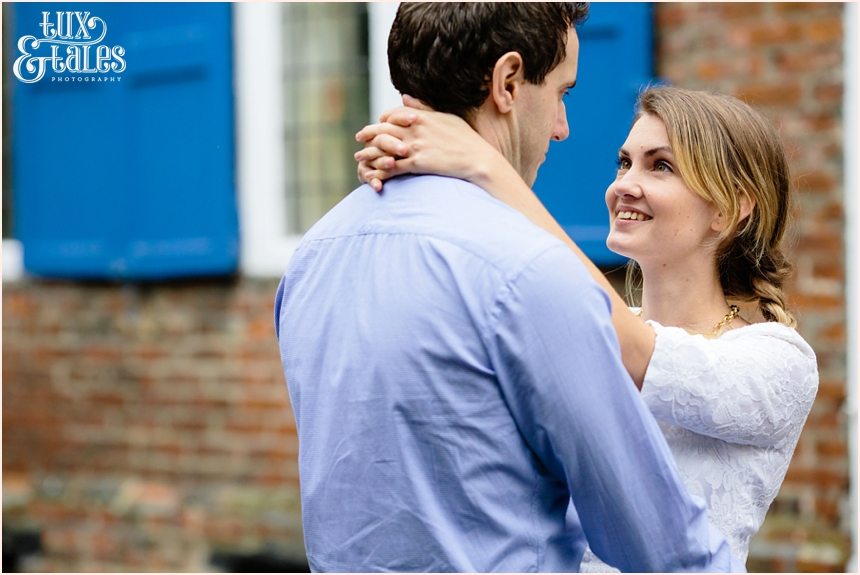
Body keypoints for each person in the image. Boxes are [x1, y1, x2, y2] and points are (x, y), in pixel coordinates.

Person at [276, 4, 742, 571]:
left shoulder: (313, 256)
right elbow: (661, 543)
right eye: (562, 93)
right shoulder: (530, 274)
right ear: (508, 82)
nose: (561, 127)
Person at [354, 85, 819, 570]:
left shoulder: (779, 361)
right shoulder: (615, 327)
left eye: (660, 165)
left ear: (728, 208)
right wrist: (415, 161)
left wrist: (488, 168)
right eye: (624, 163)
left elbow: (642, 356)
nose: (623, 185)